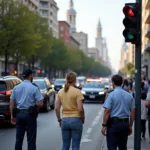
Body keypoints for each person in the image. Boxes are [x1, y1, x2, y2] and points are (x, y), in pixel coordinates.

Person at [10, 68, 44, 150]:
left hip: (19, 115)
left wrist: (12, 116)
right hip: (30, 115)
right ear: (30, 75)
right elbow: (41, 103)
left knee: (19, 139)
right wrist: (35, 106)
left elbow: (11, 103)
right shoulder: (34, 88)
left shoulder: (16, 87)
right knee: (31, 139)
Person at [101, 74, 135, 150]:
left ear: (113, 83)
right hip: (124, 124)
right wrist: (130, 125)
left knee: (112, 147)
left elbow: (107, 111)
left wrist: (104, 125)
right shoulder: (129, 95)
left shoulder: (111, 95)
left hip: (113, 124)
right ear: (122, 83)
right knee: (123, 147)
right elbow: (133, 112)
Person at [55, 72, 85, 150]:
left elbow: (57, 108)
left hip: (64, 120)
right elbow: (80, 108)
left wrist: (59, 120)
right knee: (75, 146)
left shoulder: (60, 92)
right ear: (75, 80)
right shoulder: (77, 92)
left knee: (65, 145)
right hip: (76, 120)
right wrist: (82, 118)